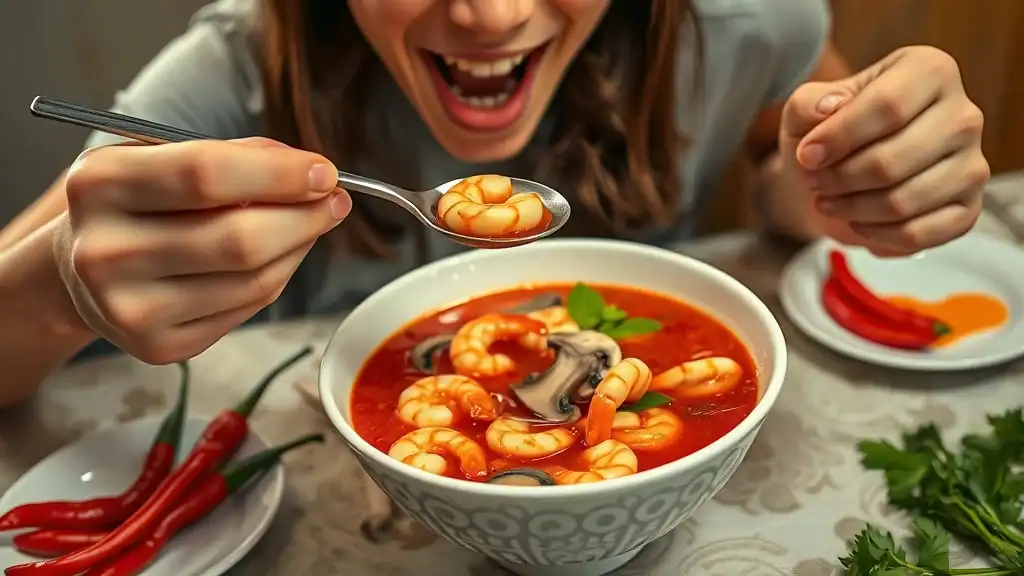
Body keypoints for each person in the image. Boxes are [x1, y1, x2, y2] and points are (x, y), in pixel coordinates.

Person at [0, 0, 989, 406]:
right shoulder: (232, 74)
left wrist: (845, 178)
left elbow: (785, 178)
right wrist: (54, 291)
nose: (490, 15)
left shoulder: (742, 21)